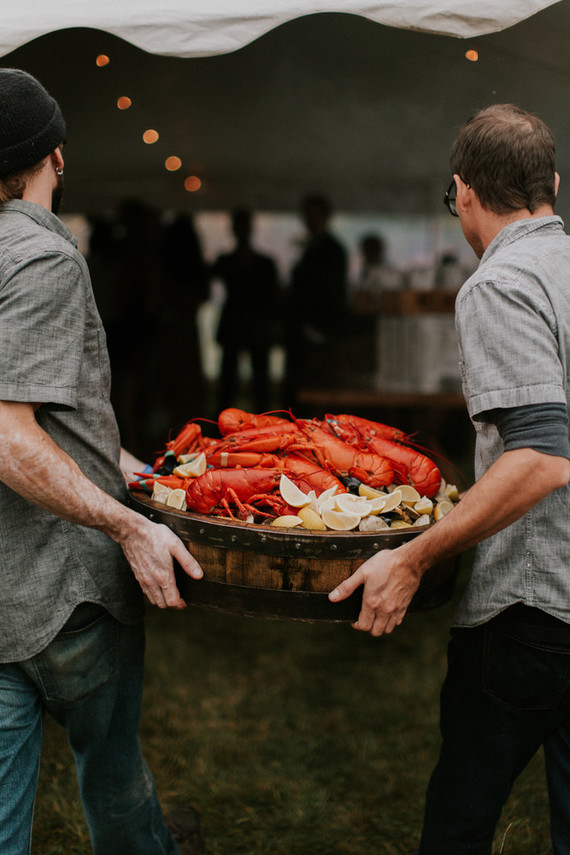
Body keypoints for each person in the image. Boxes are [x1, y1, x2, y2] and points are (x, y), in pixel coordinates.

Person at [329, 104, 570, 854]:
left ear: (463, 192)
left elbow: (540, 457)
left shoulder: (500, 283)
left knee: (458, 824)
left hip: (531, 613)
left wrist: (412, 555)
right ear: (552, 184)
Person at [0, 69, 205, 855]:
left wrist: (145, 475)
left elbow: (56, 412)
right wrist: (128, 525)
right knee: (114, 776)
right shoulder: (43, 258)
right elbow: (13, 432)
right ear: (57, 154)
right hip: (67, 590)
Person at [212, 208, 280, 414]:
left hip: (251, 326)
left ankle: (256, 422)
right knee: (233, 383)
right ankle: (225, 424)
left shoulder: (258, 263)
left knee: (256, 384)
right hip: (243, 325)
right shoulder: (233, 261)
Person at [284, 194, 347, 409]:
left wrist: (316, 328)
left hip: (318, 331)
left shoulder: (331, 249)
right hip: (304, 330)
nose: (310, 219)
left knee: (316, 391)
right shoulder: (311, 246)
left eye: (314, 215)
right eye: (307, 215)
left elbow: (330, 293)